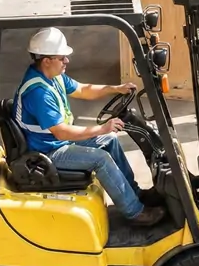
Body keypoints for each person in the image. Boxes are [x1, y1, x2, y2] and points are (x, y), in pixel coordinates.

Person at [13, 28, 165, 227]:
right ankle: (134, 212)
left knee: (110, 140)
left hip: (55, 142)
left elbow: (83, 89)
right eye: (62, 57)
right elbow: (62, 132)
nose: (67, 61)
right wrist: (101, 128)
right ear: (47, 60)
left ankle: (134, 194)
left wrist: (115, 89)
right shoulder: (38, 93)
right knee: (100, 159)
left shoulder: (52, 77)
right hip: (48, 151)